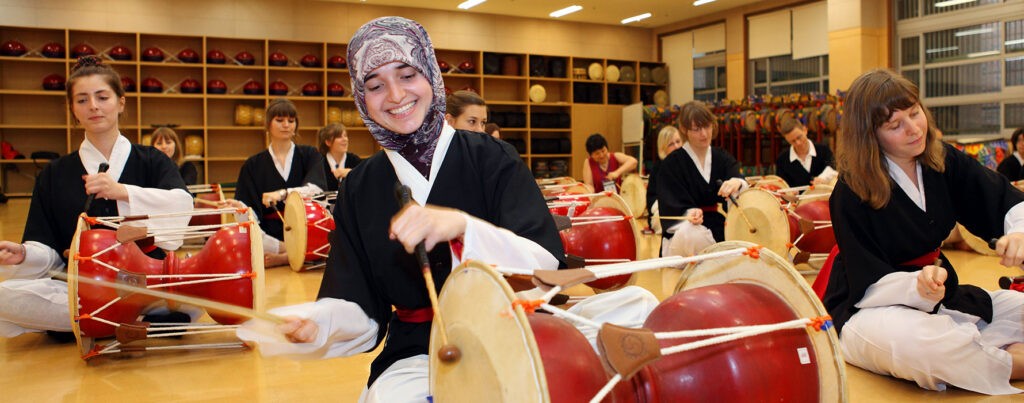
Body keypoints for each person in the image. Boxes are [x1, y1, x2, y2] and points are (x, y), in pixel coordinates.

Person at [236, 17, 655, 402]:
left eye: (407, 75)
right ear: (360, 97)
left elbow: (545, 261)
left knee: (638, 305)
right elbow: (362, 307)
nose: (396, 96)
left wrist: (462, 227)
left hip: (518, 329)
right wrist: (319, 323)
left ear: (431, 76)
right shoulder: (360, 188)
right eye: (376, 84)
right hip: (421, 349)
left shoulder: (493, 158)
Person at [821, 69, 1024, 395]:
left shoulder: (943, 160)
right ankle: (1011, 363)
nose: (914, 129)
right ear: (869, 134)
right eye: (895, 125)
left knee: (1018, 307)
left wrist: (1018, 234)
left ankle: (983, 351)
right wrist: (914, 286)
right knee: (922, 344)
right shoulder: (851, 191)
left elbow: (1002, 199)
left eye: (915, 113)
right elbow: (866, 279)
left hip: (941, 292)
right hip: (871, 305)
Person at [0, 55, 193, 337]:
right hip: (81, 286)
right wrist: (25, 255)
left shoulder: (152, 160)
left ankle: (93, 321)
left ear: (121, 102)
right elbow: (50, 252)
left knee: (191, 296)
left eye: (102, 97)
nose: (93, 106)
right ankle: (125, 319)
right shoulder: (54, 174)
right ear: (72, 109)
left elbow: (181, 205)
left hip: (147, 283)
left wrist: (123, 192)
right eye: (82, 100)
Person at [228, 98, 327, 267]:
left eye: (291, 120)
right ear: (268, 124)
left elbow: (317, 190)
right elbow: (248, 211)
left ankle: (288, 255)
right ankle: (286, 251)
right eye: (279, 120)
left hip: (305, 231)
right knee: (246, 226)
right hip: (270, 236)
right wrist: (238, 207)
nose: (286, 125)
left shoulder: (310, 154)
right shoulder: (253, 165)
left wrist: (283, 193)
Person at [655, 101, 747, 257]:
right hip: (685, 231)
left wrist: (737, 182)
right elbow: (670, 204)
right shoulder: (671, 164)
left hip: (716, 224)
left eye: (707, 127)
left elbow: (736, 176)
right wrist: (689, 213)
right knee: (692, 233)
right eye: (697, 129)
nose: (704, 134)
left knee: (745, 233)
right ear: (684, 130)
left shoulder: (721, 157)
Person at [773, 118, 836, 187]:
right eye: (792, 141)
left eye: (799, 137)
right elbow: (782, 187)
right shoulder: (782, 160)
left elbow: (834, 170)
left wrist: (823, 179)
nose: (798, 143)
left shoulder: (823, 150)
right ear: (786, 139)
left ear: (805, 130)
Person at [645, 125, 683, 232]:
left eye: (678, 141)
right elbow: (652, 200)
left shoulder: (688, 163)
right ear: (663, 148)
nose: (676, 146)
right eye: (671, 144)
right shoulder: (659, 168)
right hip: (663, 211)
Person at [317, 123, 362, 192]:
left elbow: (367, 179)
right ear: (328, 142)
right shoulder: (318, 162)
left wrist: (351, 173)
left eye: (345, 136)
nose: (345, 139)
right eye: (339, 137)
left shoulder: (354, 160)